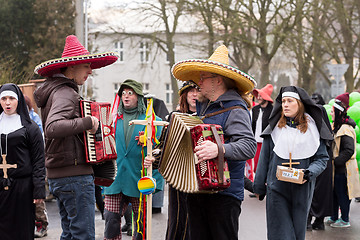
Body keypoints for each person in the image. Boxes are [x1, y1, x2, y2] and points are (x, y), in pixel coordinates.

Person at [33, 35, 118, 239]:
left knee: (71, 234)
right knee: (82, 235)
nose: (90, 70)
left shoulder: (56, 90)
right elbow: (52, 127)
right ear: (71, 68)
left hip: (61, 175)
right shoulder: (65, 92)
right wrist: (88, 122)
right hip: (74, 177)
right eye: (86, 65)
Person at [171, 45, 257, 240]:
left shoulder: (235, 109)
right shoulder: (203, 110)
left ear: (218, 81)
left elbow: (249, 146)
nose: (198, 82)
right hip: (197, 190)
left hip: (224, 195)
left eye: (203, 78)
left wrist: (218, 149)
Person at [253, 86, 332, 240]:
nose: (285, 105)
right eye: (283, 101)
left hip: (302, 190)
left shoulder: (314, 130)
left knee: (296, 234)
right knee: (280, 233)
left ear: (300, 104)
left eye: (290, 101)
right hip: (276, 188)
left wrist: (308, 173)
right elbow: (265, 158)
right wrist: (258, 187)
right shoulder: (274, 128)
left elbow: (322, 159)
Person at [104, 79, 164, 240]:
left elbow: (160, 149)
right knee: (110, 220)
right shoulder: (112, 120)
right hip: (115, 179)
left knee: (141, 225)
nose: (126, 96)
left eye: (130, 93)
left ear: (138, 96)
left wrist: (154, 158)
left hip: (139, 179)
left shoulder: (153, 121)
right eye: (123, 93)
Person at [0, 83, 45, 240]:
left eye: (11, 98)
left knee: (22, 228)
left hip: (23, 186)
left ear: (18, 100)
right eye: (4, 98)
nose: (7, 103)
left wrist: (39, 188)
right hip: (1, 184)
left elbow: (39, 159)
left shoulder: (30, 128)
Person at [165, 81, 199, 240]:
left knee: (196, 220)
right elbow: (163, 144)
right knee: (177, 219)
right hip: (177, 174)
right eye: (190, 91)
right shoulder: (173, 117)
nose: (194, 94)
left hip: (199, 174)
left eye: (197, 91)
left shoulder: (207, 117)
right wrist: (154, 158)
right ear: (184, 95)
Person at [327, 93, 360, 228]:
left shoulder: (345, 129)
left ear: (338, 113)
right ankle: (334, 216)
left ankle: (345, 219)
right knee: (334, 194)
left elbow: (348, 150)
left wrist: (336, 161)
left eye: (333, 111)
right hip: (337, 169)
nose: (331, 113)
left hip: (343, 170)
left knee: (343, 195)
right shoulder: (338, 126)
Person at [307, 92, 333, 231]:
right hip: (318, 161)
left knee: (320, 192)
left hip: (321, 162)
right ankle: (310, 220)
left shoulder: (320, 113)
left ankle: (318, 220)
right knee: (311, 190)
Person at [24, 95, 49, 238]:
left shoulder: (34, 121)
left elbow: (39, 142)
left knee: (37, 200)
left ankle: (41, 224)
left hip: (34, 163)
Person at [251, 84, 273, 176]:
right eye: (258, 95)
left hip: (266, 141)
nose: (258, 98)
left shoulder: (272, 110)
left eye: (261, 96)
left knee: (265, 164)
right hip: (255, 140)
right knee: (256, 166)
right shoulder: (255, 109)